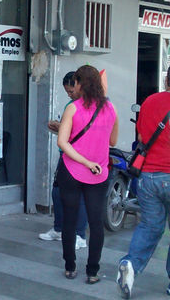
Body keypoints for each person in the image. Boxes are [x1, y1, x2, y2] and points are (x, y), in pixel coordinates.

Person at [117, 61, 170, 300]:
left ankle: (131, 264)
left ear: (166, 80)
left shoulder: (149, 102)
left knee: (149, 226)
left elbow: (142, 136)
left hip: (147, 178)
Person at [57, 65, 118, 284]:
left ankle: (70, 267)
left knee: (70, 220)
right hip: (99, 172)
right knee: (96, 222)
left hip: (71, 170)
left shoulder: (73, 108)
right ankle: (93, 271)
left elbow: (62, 142)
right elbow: (113, 141)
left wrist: (84, 161)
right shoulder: (110, 108)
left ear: (80, 83)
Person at [40, 71, 88, 250]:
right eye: (67, 91)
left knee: (80, 195)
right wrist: (58, 127)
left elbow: (82, 130)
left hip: (80, 155)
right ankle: (59, 228)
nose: (69, 94)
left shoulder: (89, 106)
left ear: (80, 86)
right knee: (57, 192)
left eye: (71, 91)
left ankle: (80, 235)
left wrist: (62, 126)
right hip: (66, 153)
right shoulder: (71, 104)